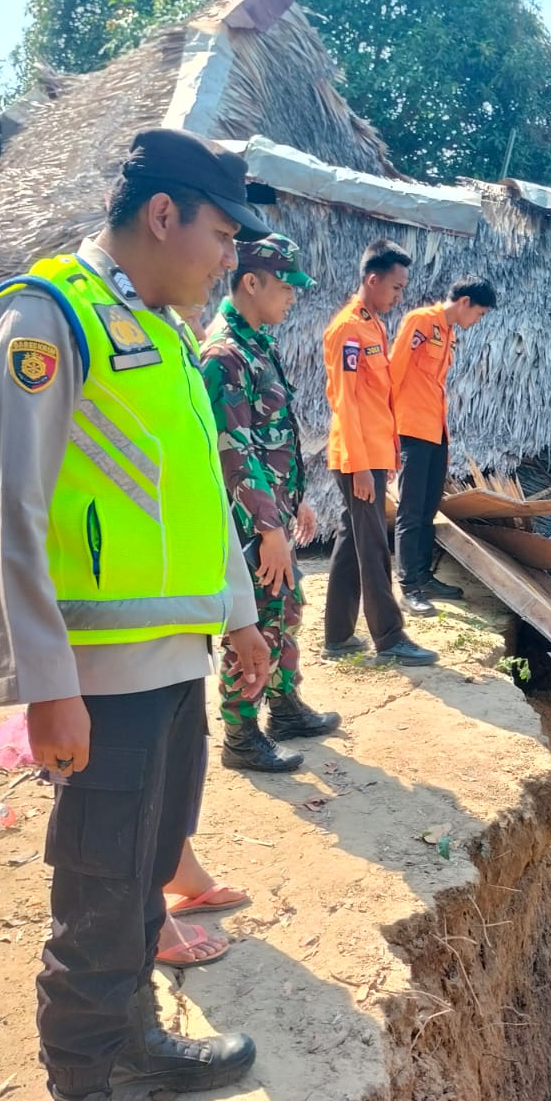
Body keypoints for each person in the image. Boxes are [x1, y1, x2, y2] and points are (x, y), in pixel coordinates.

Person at [0, 127, 275, 1101]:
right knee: (99, 891)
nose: (228, 258)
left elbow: (195, 497)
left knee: (144, 870)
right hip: (99, 682)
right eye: (222, 235)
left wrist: (239, 618)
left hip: (170, 671)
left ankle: (136, 1036)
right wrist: (43, 680)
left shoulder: (167, 335)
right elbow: (7, 508)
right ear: (162, 215)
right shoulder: (50, 316)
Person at [199, 233, 341, 771]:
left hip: (272, 513)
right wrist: (267, 529)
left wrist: (294, 504)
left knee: (285, 612)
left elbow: (273, 437)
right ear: (250, 283)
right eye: (286, 286)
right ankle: (241, 734)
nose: (293, 297)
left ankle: (283, 708)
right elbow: (232, 450)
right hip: (250, 524)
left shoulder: (257, 344)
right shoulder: (224, 355)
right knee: (252, 623)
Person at [321, 239, 437, 665]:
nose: (399, 296)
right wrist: (360, 468)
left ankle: (337, 635)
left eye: (403, 288)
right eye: (395, 287)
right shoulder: (347, 329)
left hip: (371, 454)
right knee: (372, 547)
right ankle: (390, 639)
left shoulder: (374, 324)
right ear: (373, 280)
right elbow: (346, 403)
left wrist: (386, 455)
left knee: (353, 539)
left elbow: (379, 398)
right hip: (356, 457)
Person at [389, 277, 498, 617]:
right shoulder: (421, 321)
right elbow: (394, 373)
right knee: (410, 509)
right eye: (478, 313)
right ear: (464, 302)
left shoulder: (448, 333)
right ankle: (409, 586)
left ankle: (424, 575)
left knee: (427, 508)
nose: (477, 321)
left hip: (435, 431)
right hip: (411, 429)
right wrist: (388, 431)